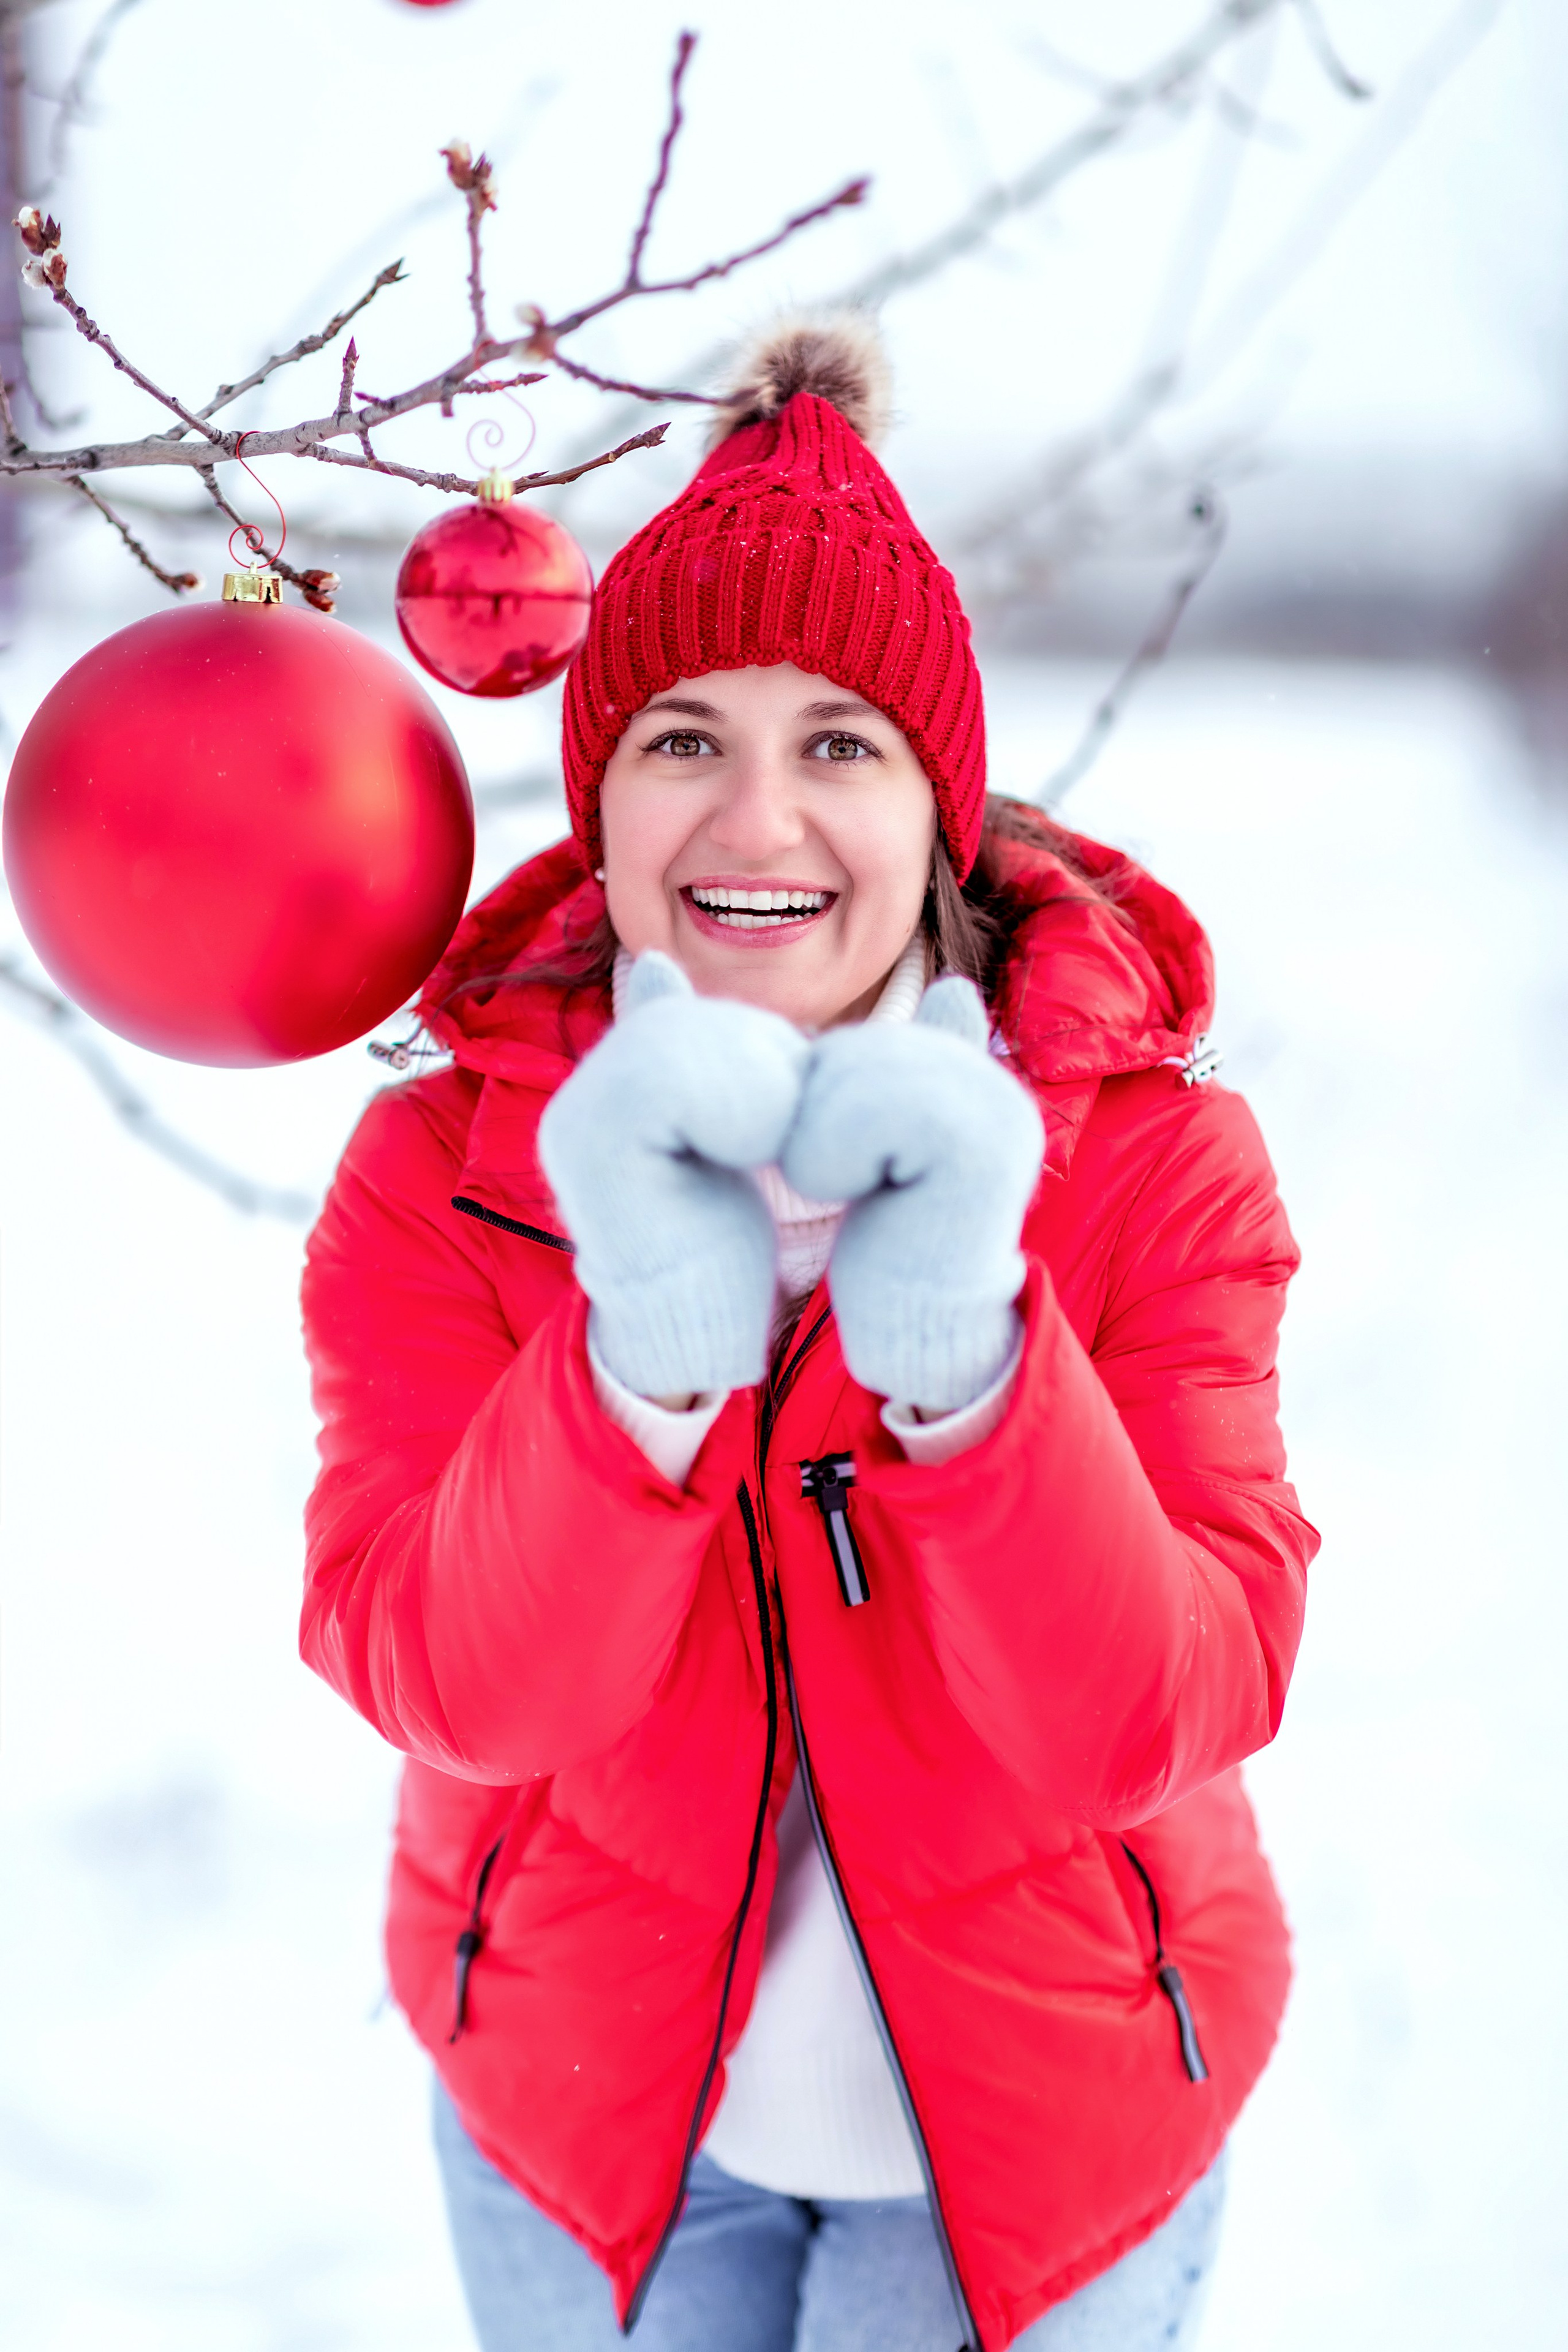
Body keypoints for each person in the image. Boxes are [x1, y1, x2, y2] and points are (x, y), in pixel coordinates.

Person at [300, 318, 1317, 2352]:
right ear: (603, 798)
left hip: (1039, 2164)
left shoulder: (1155, 1167)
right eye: (684, 736)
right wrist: (638, 1370)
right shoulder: (440, 1164)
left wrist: (972, 1367)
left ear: (941, 807)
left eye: (838, 741)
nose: (756, 819)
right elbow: (439, 1673)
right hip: (590, 2142)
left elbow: (1172, 1704)